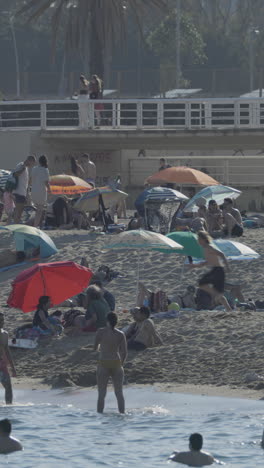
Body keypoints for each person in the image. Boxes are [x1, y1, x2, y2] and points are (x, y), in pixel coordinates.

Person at [188, 231, 232, 312]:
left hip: (218, 270)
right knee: (217, 293)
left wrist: (227, 266)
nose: (198, 241)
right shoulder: (205, 249)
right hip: (216, 270)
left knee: (201, 283)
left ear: (203, 239)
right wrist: (195, 266)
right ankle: (228, 309)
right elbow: (207, 262)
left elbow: (221, 254)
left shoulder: (209, 247)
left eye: (199, 239)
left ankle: (215, 295)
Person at [94, 312, 127, 413]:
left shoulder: (100, 332)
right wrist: (121, 364)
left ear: (107, 321)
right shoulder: (120, 334)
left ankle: (99, 416)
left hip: (103, 363)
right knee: (119, 393)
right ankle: (122, 414)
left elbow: (95, 347)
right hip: (116, 363)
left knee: (101, 394)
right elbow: (124, 352)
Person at [13, 155, 36, 223]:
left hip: (22, 193)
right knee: (18, 210)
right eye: (32, 163)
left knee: (20, 211)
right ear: (29, 160)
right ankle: (15, 225)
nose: (32, 165)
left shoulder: (26, 168)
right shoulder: (21, 165)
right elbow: (15, 174)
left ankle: (16, 224)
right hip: (18, 192)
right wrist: (23, 169)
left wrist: (27, 194)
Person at [0, 313, 16, 404]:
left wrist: (13, 368)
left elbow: (7, 351)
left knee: (8, 387)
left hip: (2, 364)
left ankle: (9, 408)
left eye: (2, 320)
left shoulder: (5, 334)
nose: (1, 322)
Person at [31, 155, 50, 227]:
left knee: (36, 210)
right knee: (39, 210)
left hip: (33, 190)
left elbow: (31, 179)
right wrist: (50, 190)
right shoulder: (45, 170)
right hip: (41, 191)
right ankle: (35, 225)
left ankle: (35, 224)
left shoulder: (34, 169)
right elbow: (46, 183)